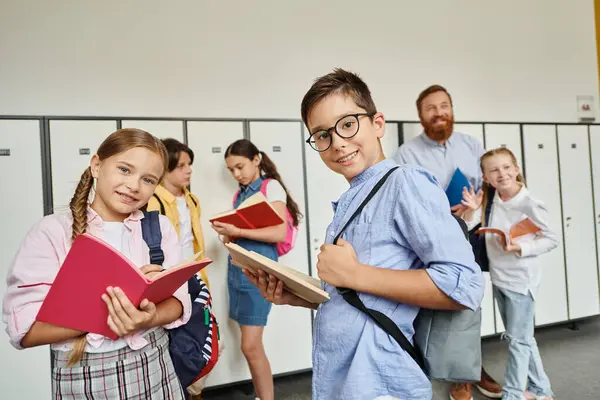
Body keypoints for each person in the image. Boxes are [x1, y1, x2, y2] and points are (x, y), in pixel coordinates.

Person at [245, 68, 484, 400]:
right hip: (346, 381)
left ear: (378, 124)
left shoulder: (405, 183)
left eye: (347, 124)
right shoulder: (353, 197)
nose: (338, 143)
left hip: (382, 382)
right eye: (323, 135)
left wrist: (356, 274)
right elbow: (362, 296)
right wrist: (299, 295)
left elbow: (465, 285)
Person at [2, 129, 191, 399]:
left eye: (148, 179)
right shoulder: (52, 231)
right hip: (84, 374)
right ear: (97, 165)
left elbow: (178, 302)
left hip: (157, 367)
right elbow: (27, 331)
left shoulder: (159, 228)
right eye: (125, 169)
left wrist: (149, 318)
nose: (134, 185)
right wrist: (111, 314)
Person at [393, 84, 503, 400]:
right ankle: (446, 371)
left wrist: (476, 202)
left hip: (470, 232)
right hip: (433, 238)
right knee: (438, 304)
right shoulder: (406, 153)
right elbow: (404, 199)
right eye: (431, 108)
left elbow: (486, 188)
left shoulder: (472, 145)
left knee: (469, 305)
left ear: (451, 110)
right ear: (421, 115)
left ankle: (468, 372)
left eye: (444, 106)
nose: (439, 112)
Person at [210, 139, 302, 400]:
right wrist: (228, 236)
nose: (236, 174)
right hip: (239, 271)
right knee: (250, 344)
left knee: (250, 346)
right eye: (231, 170)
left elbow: (278, 231)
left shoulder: (270, 187)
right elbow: (248, 233)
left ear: (256, 160)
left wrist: (237, 230)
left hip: (259, 273)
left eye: (239, 166)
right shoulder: (240, 194)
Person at [462, 148, 556, 400]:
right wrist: (472, 211)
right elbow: (477, 229)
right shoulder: (491, 200)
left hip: (521, 281)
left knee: (518, 341)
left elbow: (551, 239)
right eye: (494, 170)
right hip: (500, 278)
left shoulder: (530, 204)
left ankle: (514, 394)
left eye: (506, 167)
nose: (501, 173)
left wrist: (521, 247)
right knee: (523, 338)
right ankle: (541, 390)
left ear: (516, 169)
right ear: (486, 177)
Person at [147, 138, 210, 287]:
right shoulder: (152, 201)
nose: (189, 170)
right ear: (165, 169)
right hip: (168, 274)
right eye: (181, 166)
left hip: (194, 271)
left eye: (189, 164)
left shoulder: (192, 200)